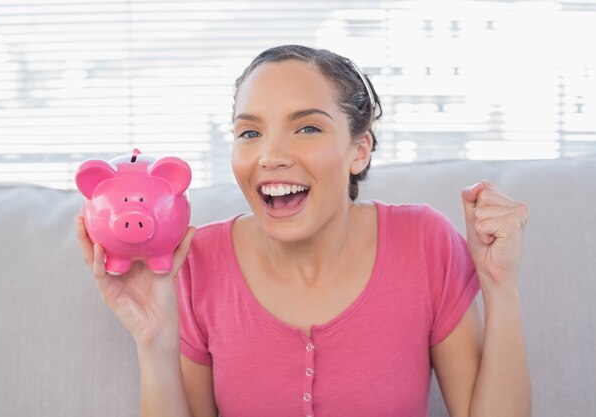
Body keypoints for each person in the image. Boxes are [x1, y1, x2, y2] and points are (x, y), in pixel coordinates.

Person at [75, 44, 531, 417]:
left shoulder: (425, 242)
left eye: (307, 127)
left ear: (359, 150)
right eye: (249, 133)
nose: (271, 156)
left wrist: (500, 288)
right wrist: (154, 340)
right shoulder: (196, 259)